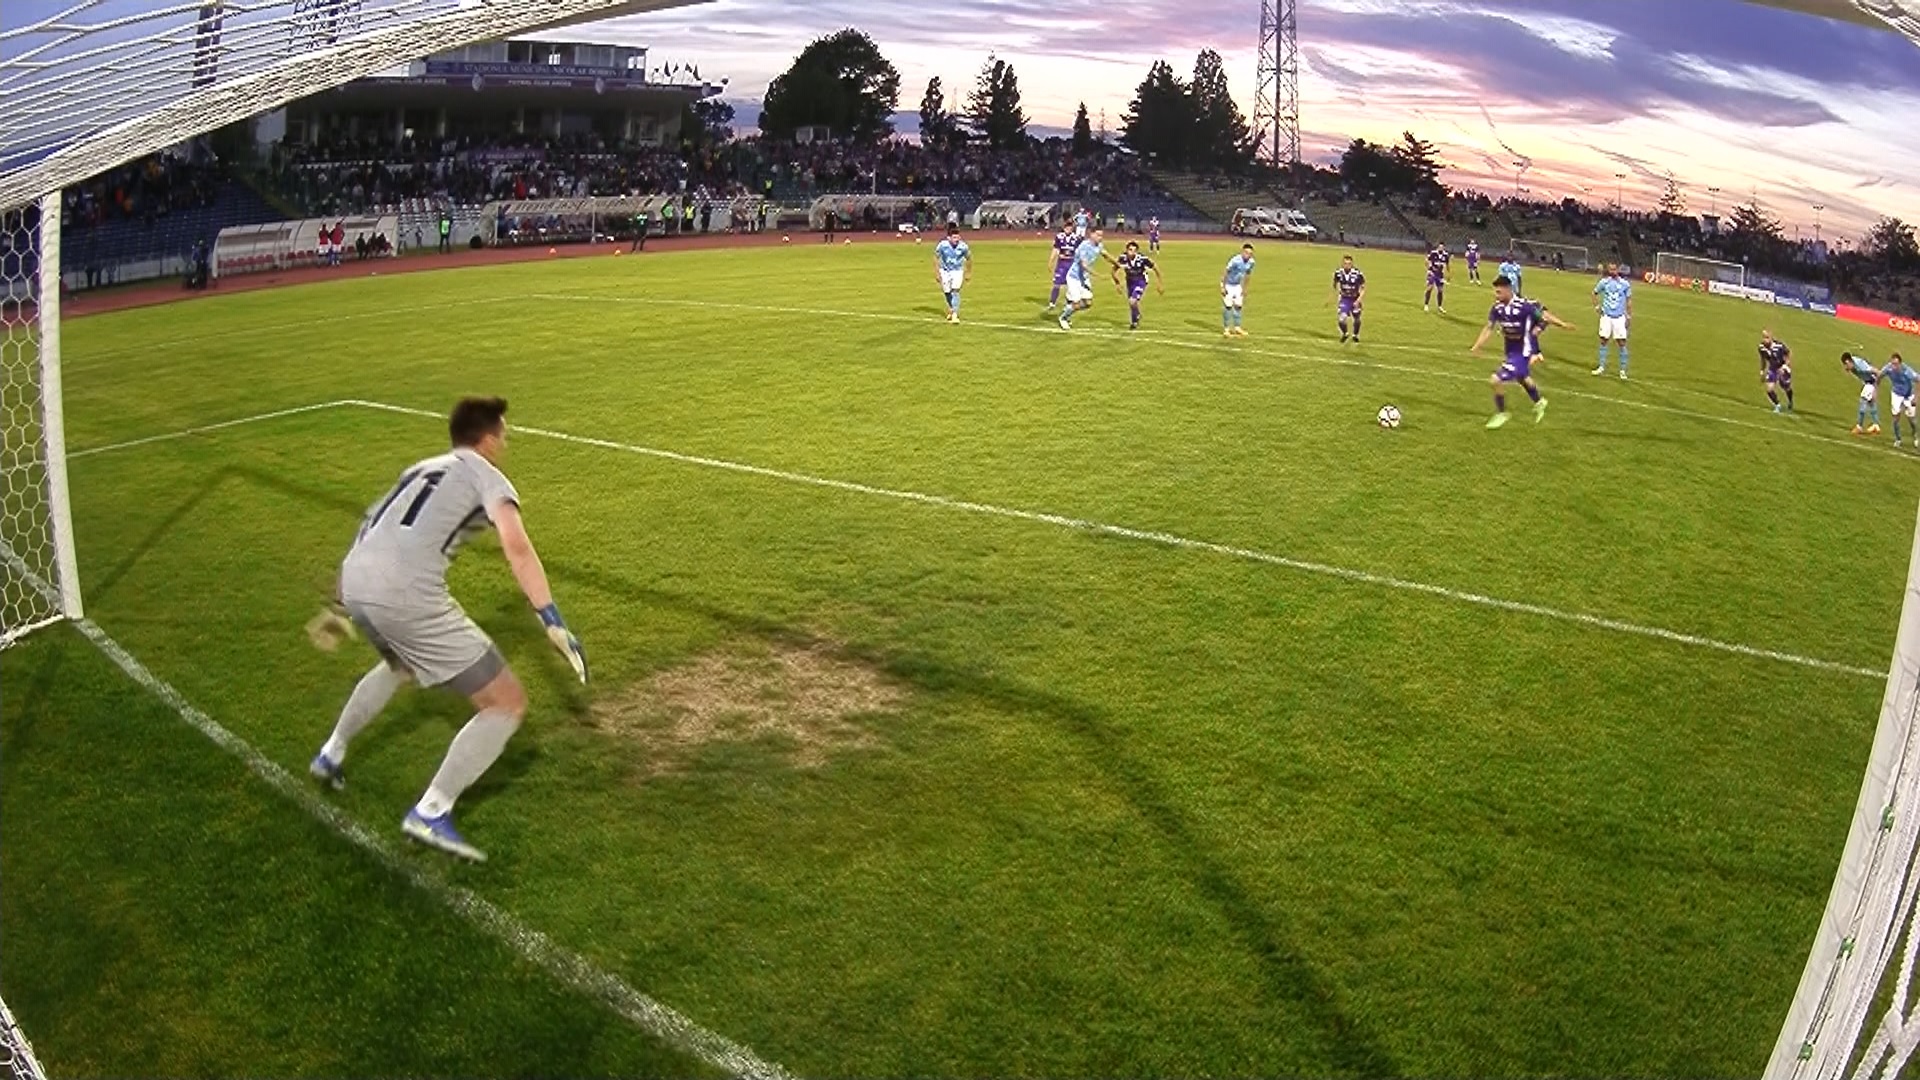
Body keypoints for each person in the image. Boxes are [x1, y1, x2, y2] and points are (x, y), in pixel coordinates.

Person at [309, 397, 588, 863]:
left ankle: (331, 753)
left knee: (399, 666)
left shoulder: (420, 468)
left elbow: (369, 525)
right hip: (406, 593)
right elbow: (516, 548)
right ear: (488, 438)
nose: (505, 441)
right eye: (503, 433)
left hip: (357, 579)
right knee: (506, 703)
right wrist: (551, 619)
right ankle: (431, 810)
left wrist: (340, 605)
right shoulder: (486, 474)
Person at [1472, 274, 1573, 429]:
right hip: (1510, 351)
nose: (1496, 295)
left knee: (1495, 380)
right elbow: (1489, 327)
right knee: (1522, 378)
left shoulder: (1524, 306)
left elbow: (1543, 316)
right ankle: (1540, 402)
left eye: (1499, 292)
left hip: (1523, 352)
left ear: (1508, 290)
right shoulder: (1497, 308)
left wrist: (1562, 324)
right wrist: (1478, 345)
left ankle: (1502, 413)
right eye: (1495, 292)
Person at [1058, 227, 1111, 331]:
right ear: (1091, 234)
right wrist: (1098, 275)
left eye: (1101, 235)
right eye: (1098, 235)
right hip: (1074, 277)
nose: (1100, 238)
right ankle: (1063, 318)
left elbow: (1106, 255)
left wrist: (1118, 264)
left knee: (1088, 303)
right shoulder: (1084, 246)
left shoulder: (1099, 246)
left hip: (1084, 278)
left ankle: (1069, 307)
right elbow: (1083, 265)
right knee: (1077, 304)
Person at [1591, 264, 1633, 379]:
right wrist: (1597, 307)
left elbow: (1629, 301)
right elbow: (1594, 293)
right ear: (1608, 270)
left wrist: (1628, 316)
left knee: (1622, 343)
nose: (1612, 271)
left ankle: (1623, 370)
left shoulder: (1625, 284)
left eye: (1614, 269)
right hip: (1606, 316)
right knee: (1603, 340)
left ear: (1618, 270)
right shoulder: (1604, 282)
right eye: (1610, 269)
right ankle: (1601, 367)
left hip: (1619, 317)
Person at [1111, 240, 1162, 330]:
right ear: (1126, 250)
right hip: (1130, 281)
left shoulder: (1142, 259)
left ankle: (1137, 315)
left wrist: (1159, 284)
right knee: (1132, 304)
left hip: (1141, 281)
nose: (1132, 252)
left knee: (1132, 300)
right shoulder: (1123, 258)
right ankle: (1134, 321)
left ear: (1137, 251)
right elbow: (1113, 270)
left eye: (1134, 250)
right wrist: (1117, 283)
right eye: (1130, 250)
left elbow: (1155, 268)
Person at [933, 224, 971, 324]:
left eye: (958, 237)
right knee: (947, 291)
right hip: (945, 271)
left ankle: (955, 314)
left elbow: (969, 258)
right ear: (948, 238)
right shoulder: (942, 245)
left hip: (957, 271)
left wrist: (968, 273)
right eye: (954, 237)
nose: (956, 239)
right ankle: (951, 308)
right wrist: (937, 273)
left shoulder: (963, 246)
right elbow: (936, 257)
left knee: (955, 291)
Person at [1843, 351, 1884, 435]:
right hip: (1868, 382)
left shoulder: (1860, 365)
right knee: (1871, 404)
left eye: (1847, 364)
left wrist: (1875, 389)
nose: (1846, 366)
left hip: (1872, 382)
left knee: (1863, 402)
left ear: (1850, 361)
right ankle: (1876, 426)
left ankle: (1859, 427)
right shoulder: (1853, 363)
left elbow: (1878, 372)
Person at [1220, 243, 1256, 337]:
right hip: (1228, 285)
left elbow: (1248, 274)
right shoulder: (1235, 260)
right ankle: (1226, 329)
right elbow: (1225, 272)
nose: (1248, 255)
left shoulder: (1251, 262)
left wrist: (1245, 288)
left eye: (1250, 254)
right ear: (1242, 252)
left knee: (1238, 306)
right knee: (1228, 306)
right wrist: (1222, 287)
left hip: (1237, 286)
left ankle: (1237, 328)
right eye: (1247, 253)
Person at [1883, 353, 1917, 447]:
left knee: (1912, 420)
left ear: (1900, 364)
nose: (1894, 366)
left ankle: (1915, 436)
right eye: (1892, 363)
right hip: (1896, 394)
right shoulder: (1888, 368)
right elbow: (1879, 375)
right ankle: (1898, 439)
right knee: (1895, 418)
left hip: (1908, 395)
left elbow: (1918, 380)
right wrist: (1875, 390)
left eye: (1896, 364)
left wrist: (1916, 397)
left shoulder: (1907, 371)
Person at [1330, 255, 1366, 343]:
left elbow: (1363, 288)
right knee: (1341, 319)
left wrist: (1359, 300)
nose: (1347, 265)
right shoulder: (1338, 272)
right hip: (1345, 299)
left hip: (1355, 298)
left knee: (1357, 319)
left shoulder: (1357, 273)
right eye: (1345, 263)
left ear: (1352, 264)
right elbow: (1335, 283)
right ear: (1342, 263)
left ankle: (1355, 335)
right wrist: (1339, 292)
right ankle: (1345, 334)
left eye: (1349, 264)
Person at [1758, 330, 1794, 414]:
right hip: (1772, 369)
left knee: (1785, 387)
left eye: (1767, 337)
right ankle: (1777, 405)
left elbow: (1788, 354)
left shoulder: (1779, 345)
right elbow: (1763, 360)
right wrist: (1762, 371)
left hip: (1782, 367)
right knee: (1769, 389)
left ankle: (1790, 401)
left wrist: (1785, 366)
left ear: (1771, 338)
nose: (1765, 340)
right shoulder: (1761, 348)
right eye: (1764, 337)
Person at [1044, 225, 1077, 312]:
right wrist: (1051, 261)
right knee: (1057, 284)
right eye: (1066, 227)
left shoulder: (1076, 238)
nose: (1068, 229)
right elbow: (1056, 250)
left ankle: (1069, 305)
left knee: (1070, 286)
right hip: (1061, 264)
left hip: (1071, 264)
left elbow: (1079, 252)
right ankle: (1052, 303)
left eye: (1070, 227)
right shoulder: (1059, 237)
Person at [1422, 243, 1449, 313]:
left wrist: (1448, 275)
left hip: (1440, 275)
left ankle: (1440, 306)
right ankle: (1426, 305)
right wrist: (1429, 269)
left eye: (1442, 247)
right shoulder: (1433, 253)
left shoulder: (1445, 255)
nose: (1441, 248)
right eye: (1440, 247)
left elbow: (1447, 265)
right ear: (1438, 247)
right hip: (1432, 273)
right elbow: (1426, 260)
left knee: (1440, 290)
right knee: (1430, 287)